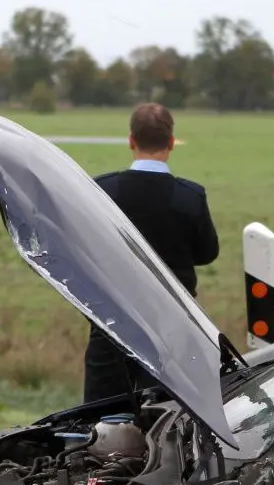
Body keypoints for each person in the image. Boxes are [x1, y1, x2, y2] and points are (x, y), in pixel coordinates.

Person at [83, 102, 220, 404]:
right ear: (171, 143)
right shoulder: (190, 196)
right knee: (169, 419)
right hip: (174, 328)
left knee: (101, 421)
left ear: (131, 141)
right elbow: (207, 253)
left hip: (111, 325)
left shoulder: (103, 190)